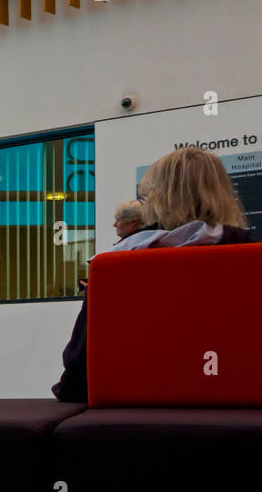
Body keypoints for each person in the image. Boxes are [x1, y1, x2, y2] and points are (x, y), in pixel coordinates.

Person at [52, 147, 254, 403]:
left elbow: (80, 360)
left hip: (135, 408)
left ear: (162, 199)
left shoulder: (116, 266)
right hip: (238, 402)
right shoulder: (250, 258)